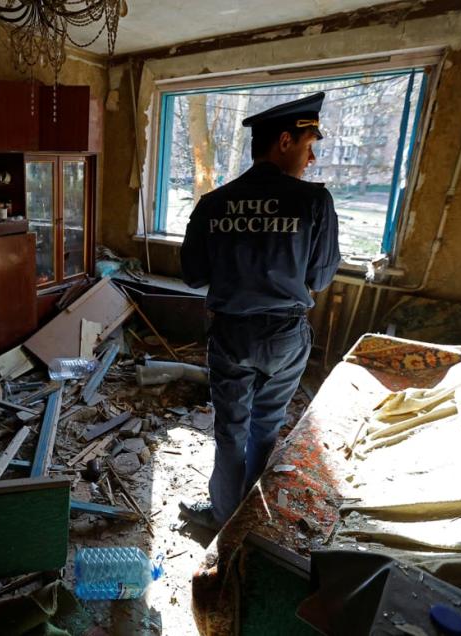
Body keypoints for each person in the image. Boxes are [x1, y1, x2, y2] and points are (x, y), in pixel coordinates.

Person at [178, 92, 342, 530]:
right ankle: (251, 522)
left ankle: (222, 514)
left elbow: (193, 276)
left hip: (232, 335)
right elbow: (321, 278)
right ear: (285, 141)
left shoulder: (213, 204)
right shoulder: (314, 202)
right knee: (265, 429)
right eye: (309, 147)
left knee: (230, 431)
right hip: (286, 336)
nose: (310, 160)